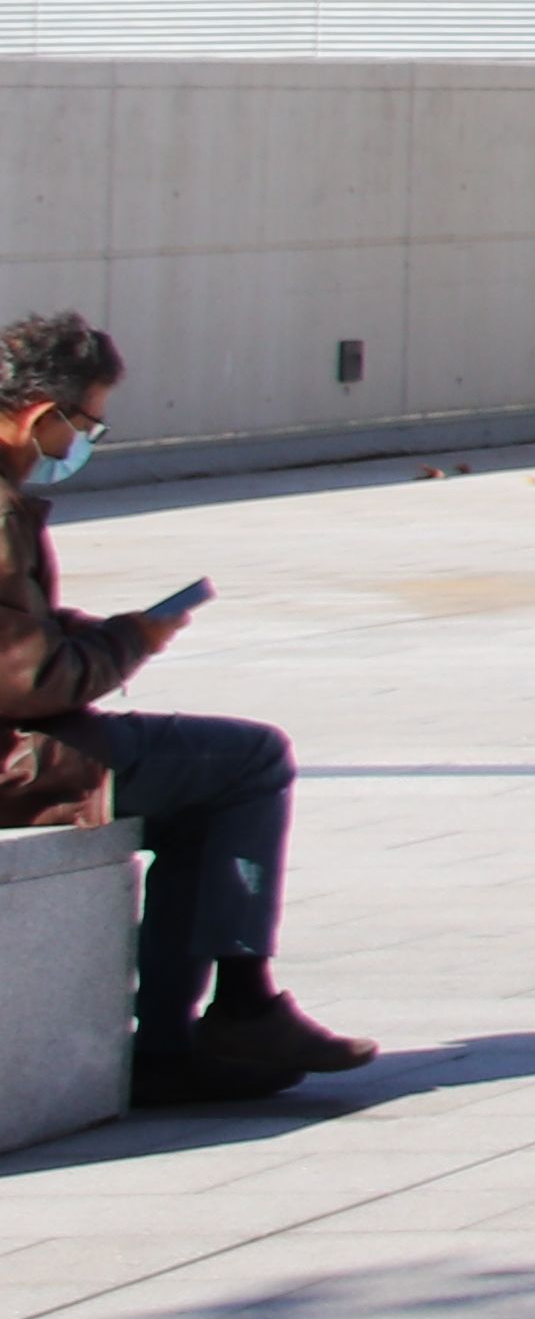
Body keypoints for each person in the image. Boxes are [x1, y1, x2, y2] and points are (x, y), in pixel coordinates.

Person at [0, 314, 374, 1105]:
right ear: (40, 416)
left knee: (197, 800)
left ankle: (180, 1040)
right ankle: (238, 1004)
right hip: (13, 756)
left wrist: (84, 633)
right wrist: (132, 641)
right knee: (250, 759)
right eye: (84, 425)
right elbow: (29, 681)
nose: (79, 446)